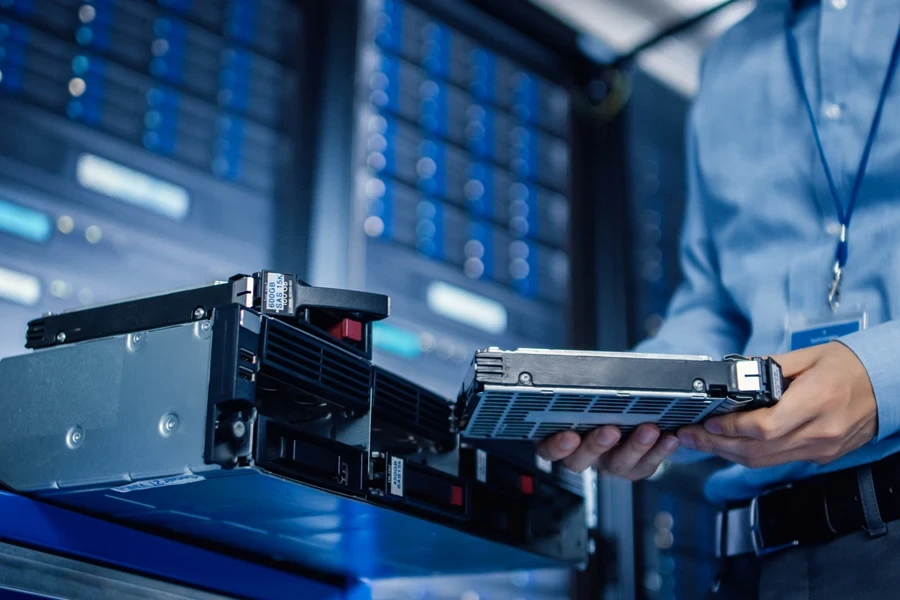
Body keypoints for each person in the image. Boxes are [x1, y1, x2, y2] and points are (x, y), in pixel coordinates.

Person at [538, 0, 900, 597]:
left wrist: (881, 379)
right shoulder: (732, 61)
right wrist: (641, 404)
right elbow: (716, 306)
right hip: (754, 566)